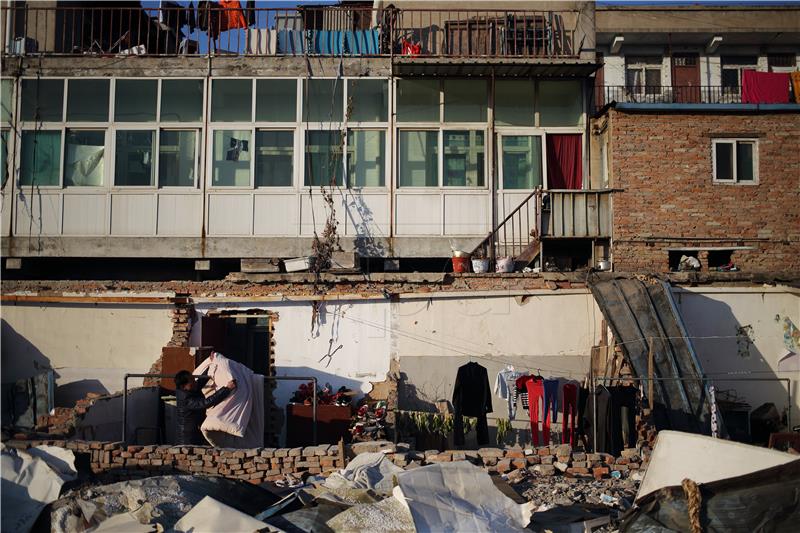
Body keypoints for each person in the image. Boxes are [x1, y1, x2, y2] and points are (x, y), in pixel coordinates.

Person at [174, 369, 236, 445]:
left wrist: (211, 368)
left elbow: (200, 381)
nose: (194, 382)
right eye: (191, 381)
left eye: (193, 379)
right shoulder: (186, 399)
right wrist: (227, 389)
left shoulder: (189, 389)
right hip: (188, 438)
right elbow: (206, 403)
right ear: (183, 386)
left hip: (195, 432)